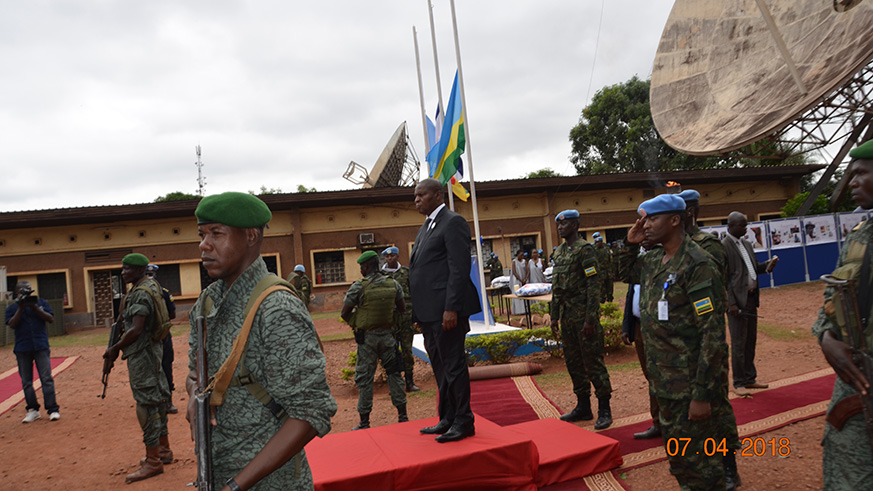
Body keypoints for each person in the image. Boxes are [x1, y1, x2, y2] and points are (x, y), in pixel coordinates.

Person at [185, 191, 336, 490]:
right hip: (217, 467)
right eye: (202, 234)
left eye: (217, 234)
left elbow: (310, 412)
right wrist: (196, 395)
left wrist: (237, 486)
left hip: (270, 481)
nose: (204, 245)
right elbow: (194, 372)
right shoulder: (208, 302)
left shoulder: (276, 307)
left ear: (251, 236)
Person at [619, 194, 739, 490]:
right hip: (665, 385)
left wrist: (702, 394)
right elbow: (623, 273)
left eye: (652, 219)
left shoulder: (698, 264)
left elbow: (712, 335)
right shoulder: (652, 261)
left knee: (703, 468)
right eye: (643, 219)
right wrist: (629, 245)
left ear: (675, 220)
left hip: (689, 387)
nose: (645, 225)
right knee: (681, 462)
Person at [811, 139, 873, 489]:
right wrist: (826, 339)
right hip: (852, 382)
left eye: (860, 173)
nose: (850, 182)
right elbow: (830, 300)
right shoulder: (858, 236)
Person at [409, 178, 481, 443]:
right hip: (429, 314)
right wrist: (419, 313)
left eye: (421, 195)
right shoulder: (427, 226)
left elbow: (458, 268)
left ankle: (464, 421)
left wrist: (451, 308)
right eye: (415, 196)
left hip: (446, 312)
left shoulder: (453, 222)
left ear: (438, 195)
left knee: (453, 366)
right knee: (440, 367)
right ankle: (447, 418)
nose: (416, 199)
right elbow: (422, 271)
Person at [679, 189, 742, 488]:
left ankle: (729, 466)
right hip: (681, 345)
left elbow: (718, 283)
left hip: (708, 336)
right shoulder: (671, 245)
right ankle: (705, 464)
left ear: (693, 211)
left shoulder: (708, 245)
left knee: (716, 403)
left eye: (685, 207)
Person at [103, 253, 172, 483]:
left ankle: (153, 461)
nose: (123, 272)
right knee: (159, 398)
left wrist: (115, 348)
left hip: (143, 355)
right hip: (153, 352)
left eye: (127, 269)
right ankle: (163, 451)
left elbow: (136, 329)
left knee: (146, 403)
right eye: (122, 269)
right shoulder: (149, 285)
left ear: (140, 270)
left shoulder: (141, 293)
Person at [550, 210, 613, 429]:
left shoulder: (585, 250)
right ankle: (583, 406)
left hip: (583, 316)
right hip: (567, 317)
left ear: (576, 226)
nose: (560, 228)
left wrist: (590, 319)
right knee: (573, 362)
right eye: (558, 225)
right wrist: (554, 316)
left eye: (564, 224)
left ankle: (604, 408)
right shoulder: (558, 253)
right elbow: (556, 289)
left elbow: (593, 285)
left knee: (593, 362)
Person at [341, 250, 408, 430]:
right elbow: (401, 309)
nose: (361, 270)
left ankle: (364, 422)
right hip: (388, 338)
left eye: (361, 267)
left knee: (365, 378)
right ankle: (403, 416)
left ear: (366, 266)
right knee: (394, 375)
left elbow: (344, 313)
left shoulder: (359, 287)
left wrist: (358, 323)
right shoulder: (393, 284)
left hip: (367, 340)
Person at [722, 211, 778, 394]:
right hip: (737, 302)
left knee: (750, 341)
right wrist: (731, 304)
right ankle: (739, 383)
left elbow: (753, 268)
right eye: (742, 225)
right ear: (731, 226)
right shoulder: (724, 246)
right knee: (738, 343)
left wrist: (767, 266)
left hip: (751, 298)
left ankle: (749, 378)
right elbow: (724, 278)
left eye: (746, 225)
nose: (746, 229)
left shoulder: (746, 244)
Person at [619, 240, 660, 440]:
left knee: (661, 376)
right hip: (639, 326)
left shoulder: (664, 258)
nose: (646, 233)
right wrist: (627, 326)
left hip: (659, 328)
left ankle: (670, 422)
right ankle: (658, 422)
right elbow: (631, 295)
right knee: (650, 376)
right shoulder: (640, 260)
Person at [5, 280, 60, 424]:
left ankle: (53, 409)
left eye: (29, 291)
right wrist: (21, 308)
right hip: (23, 348)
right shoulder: (12, 308)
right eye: (23, 291)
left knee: (46, 378)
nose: (27, 294)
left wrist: (35, 307)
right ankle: (32, 410)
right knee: (27, 381)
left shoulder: (41, 302)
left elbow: (50, 319)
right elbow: (11, 324)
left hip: (40, 346)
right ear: (17, 293)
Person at [381, 246, 420, 392]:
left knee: (407, 350)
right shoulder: (381, 275)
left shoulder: (406, 273)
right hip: (389, 319)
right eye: (387, 257)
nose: (389, 259)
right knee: (391, 351)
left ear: (397, 257)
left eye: (392, 256)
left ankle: (409, 382)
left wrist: (416, 316)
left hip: (406, 318)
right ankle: (395, 384)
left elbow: (415, 294)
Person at [146, 264, 179, 414]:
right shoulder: (161, 292)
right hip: (157, 337)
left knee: (163, 367)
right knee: (158, 368)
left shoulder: (162, 293)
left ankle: (163, 402)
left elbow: (173, 315)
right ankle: (161, 402)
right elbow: (172, 315)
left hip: (156, 337)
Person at [592, 232, 614, 302]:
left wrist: (612, 269)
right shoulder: (593, 250)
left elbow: (610, 259)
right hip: (600, 272)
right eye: (597, 242)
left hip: (608, 271)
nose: (599, 243)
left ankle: (610, 299)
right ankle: (602, 301)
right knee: (602, 288)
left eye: (600, 242)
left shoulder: (606, 247)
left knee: (610, 286)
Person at [510, 249, 528, 315]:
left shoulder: (524, 261)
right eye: (521, 255)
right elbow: (514, 272)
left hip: (524, 280)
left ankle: (525, 310)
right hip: (517, 281)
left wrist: (525, 279)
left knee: (524, 295)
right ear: (518, 255)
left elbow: (527, 271)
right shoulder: (514, 262)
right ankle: (518, 311)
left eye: (523, 255)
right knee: (517, 295)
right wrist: (520, 280)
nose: (522, 256)